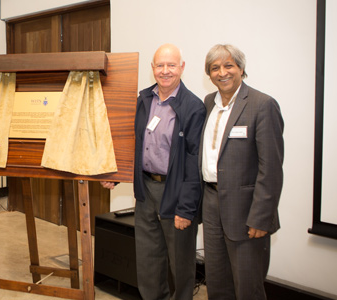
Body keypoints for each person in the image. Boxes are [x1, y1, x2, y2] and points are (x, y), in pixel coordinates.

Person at [101, 44, 205, 300]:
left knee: (180, 264)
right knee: (148, 260)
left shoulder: (193, 107)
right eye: (160, 65)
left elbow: (194, 162)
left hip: (176, 192)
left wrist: (187, 208)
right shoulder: (143, 100)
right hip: (146, 191)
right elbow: (130, 141)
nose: (165, 71)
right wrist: (116, 173)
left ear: (181, 68)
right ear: (152, 68)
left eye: (171, 65)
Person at [200, 44, 284, 300]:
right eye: (215, 68)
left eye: (229, 65)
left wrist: (261, 218)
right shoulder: (208, 104)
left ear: (241, 69)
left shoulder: (262, 105)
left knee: (248, 286)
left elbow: (270, 169)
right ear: (209, 74)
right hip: (212, 202)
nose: (222, 72)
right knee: (216, 280)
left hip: (247, 210)